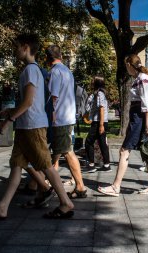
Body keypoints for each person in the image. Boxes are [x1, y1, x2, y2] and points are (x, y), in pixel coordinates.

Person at [0, 34, 74, 219]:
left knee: (46, 166)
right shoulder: (32, 70)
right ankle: (2, 207)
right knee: (17, 165)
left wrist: (8, 120)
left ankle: (66, 203)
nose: (14, 50)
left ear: (26, 47)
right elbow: (31, 102)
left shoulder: (30, 70)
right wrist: (11, 111)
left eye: (16, 46)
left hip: (32, 127)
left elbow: (28, 102)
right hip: (26, 126)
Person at [97, 54, 148, 196]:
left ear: (130, 65)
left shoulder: (142, 79)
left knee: (124, 150)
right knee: (146, 151)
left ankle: (116, 186)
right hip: (138, 117)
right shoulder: (140, 78)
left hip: (139, 117)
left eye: (126, 66)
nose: (126, 69)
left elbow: (146, 104)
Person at [45, 45, 87, 199]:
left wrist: (52, 116)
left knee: (68, 152)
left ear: (47, 59)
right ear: (61, 56)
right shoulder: (67, 71)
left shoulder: (55, 72)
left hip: (60, 118)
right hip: (67, 116)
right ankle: (44, 182)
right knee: (58, 151)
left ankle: (81, 187)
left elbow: (53, 97)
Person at [84, 76, 112, 173]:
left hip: (98, 122)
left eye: (93, 81)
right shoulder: (100, 93)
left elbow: (101, 108)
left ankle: (91, 165)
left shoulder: (99, 93)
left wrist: (101, 125)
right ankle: (106, 165)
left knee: (88, 142)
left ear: (96, 83)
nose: (91, 82)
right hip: (101, 122)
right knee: (102, 143)